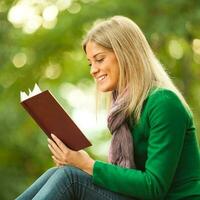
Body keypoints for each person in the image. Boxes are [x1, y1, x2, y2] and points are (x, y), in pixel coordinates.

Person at [16, 15, 200, 200]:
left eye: (99, 59)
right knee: (57, 174)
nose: (93, 70)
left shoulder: (163, 103)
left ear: (125, 55)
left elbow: (154, 187)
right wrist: (77, 162)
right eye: (90, 63)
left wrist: (87, 164)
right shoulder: (124, 110)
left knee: (70, 178)